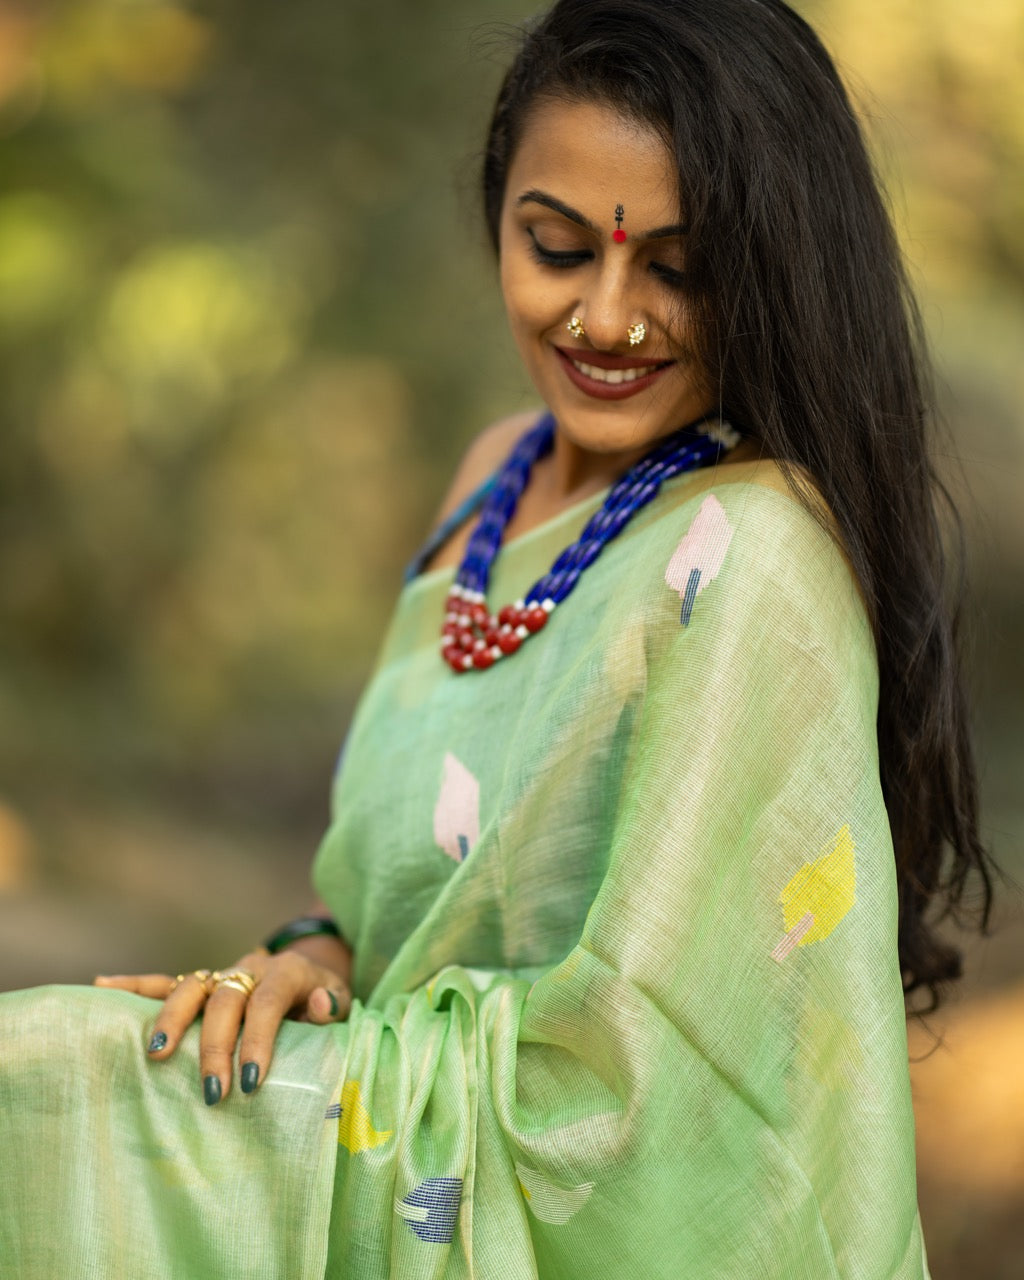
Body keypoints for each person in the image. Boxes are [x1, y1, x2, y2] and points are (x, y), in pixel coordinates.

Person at [0, 1, 998, 1276]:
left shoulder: (751, 558)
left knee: (45, 1083)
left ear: (772, 266)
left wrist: (335, 1088)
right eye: (558, 247)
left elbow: (660, 1083)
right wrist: (311, 953)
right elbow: (404, 887)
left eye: (676, 270)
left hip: (549, 1213)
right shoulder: (491, 476)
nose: (606, 317)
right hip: (385, 1124)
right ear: (498, 220)